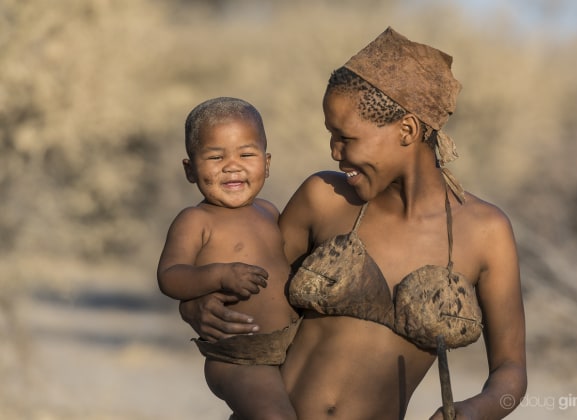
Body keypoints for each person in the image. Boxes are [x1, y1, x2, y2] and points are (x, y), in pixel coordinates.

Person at [180, 28, 527, 419]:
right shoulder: (323, 199)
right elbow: (244, 280)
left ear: (407, 130)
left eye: (345, 137)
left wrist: (479, 410)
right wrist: (195, 305)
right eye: (331, 135)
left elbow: (511, 374)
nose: (334, 152)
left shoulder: (486, 232)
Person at [157, 97, 299, 420]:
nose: (232, 166)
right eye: (215, 157)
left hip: (287, 345)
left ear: (267, 162)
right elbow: (169, 275)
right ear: (190, 170)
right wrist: (218, 275)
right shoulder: (195, 220)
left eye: (246, 154)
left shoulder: (269, 211)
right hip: (237, 355)